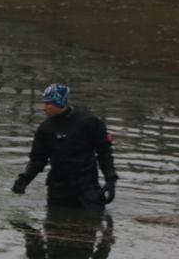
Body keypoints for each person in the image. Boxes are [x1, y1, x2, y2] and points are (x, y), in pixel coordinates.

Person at [11, 83, 118, 211]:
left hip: (87, 188)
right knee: (55, 225)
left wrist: (110, 179)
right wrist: (24, 179)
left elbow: (104, 151)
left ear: (59, 103)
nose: (44, 108)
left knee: (90, 223)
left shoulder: (89, 122)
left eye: (48, 104)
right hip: (58, 190)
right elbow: (37, 160)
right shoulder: (45, 129)